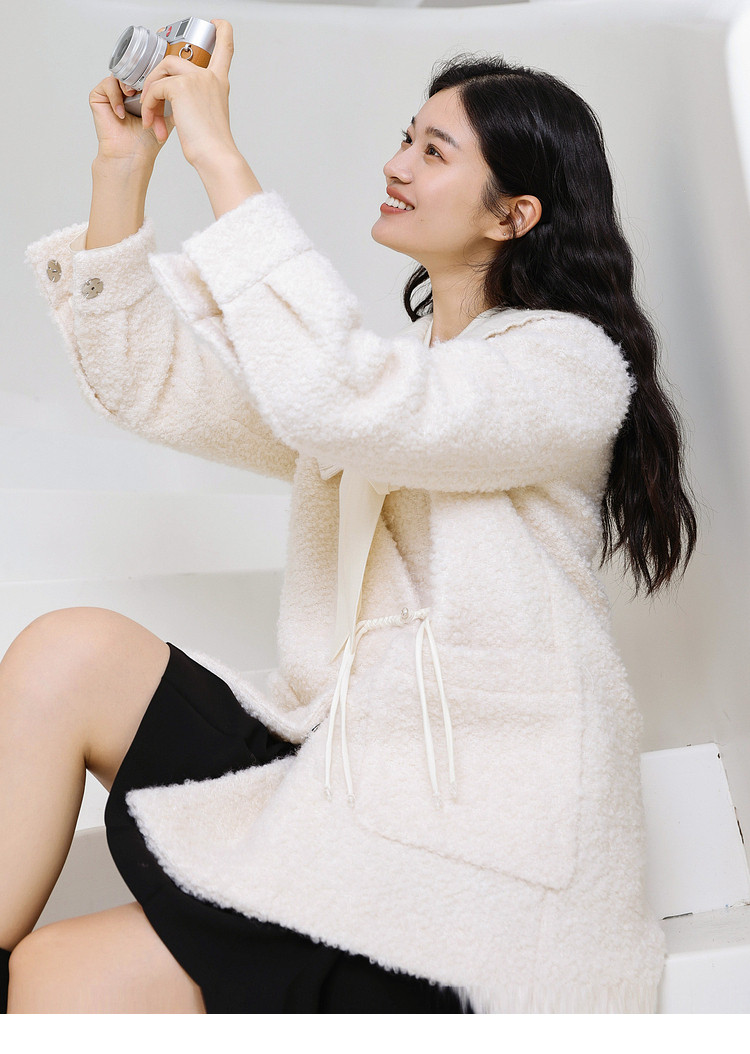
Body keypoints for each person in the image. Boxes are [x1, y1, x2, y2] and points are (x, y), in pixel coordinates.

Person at [4, 18, 697, 1012]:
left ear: (514, 215)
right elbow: (156, 380)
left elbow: (343, 397)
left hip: (466, 871)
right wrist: (124, 169)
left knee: (54, 978)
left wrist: (218, 152)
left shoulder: (567, 368)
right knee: (70, 652)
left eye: (434, 150)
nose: (397, 163)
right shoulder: (393, 390)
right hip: (346, 788)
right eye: (406, 136)